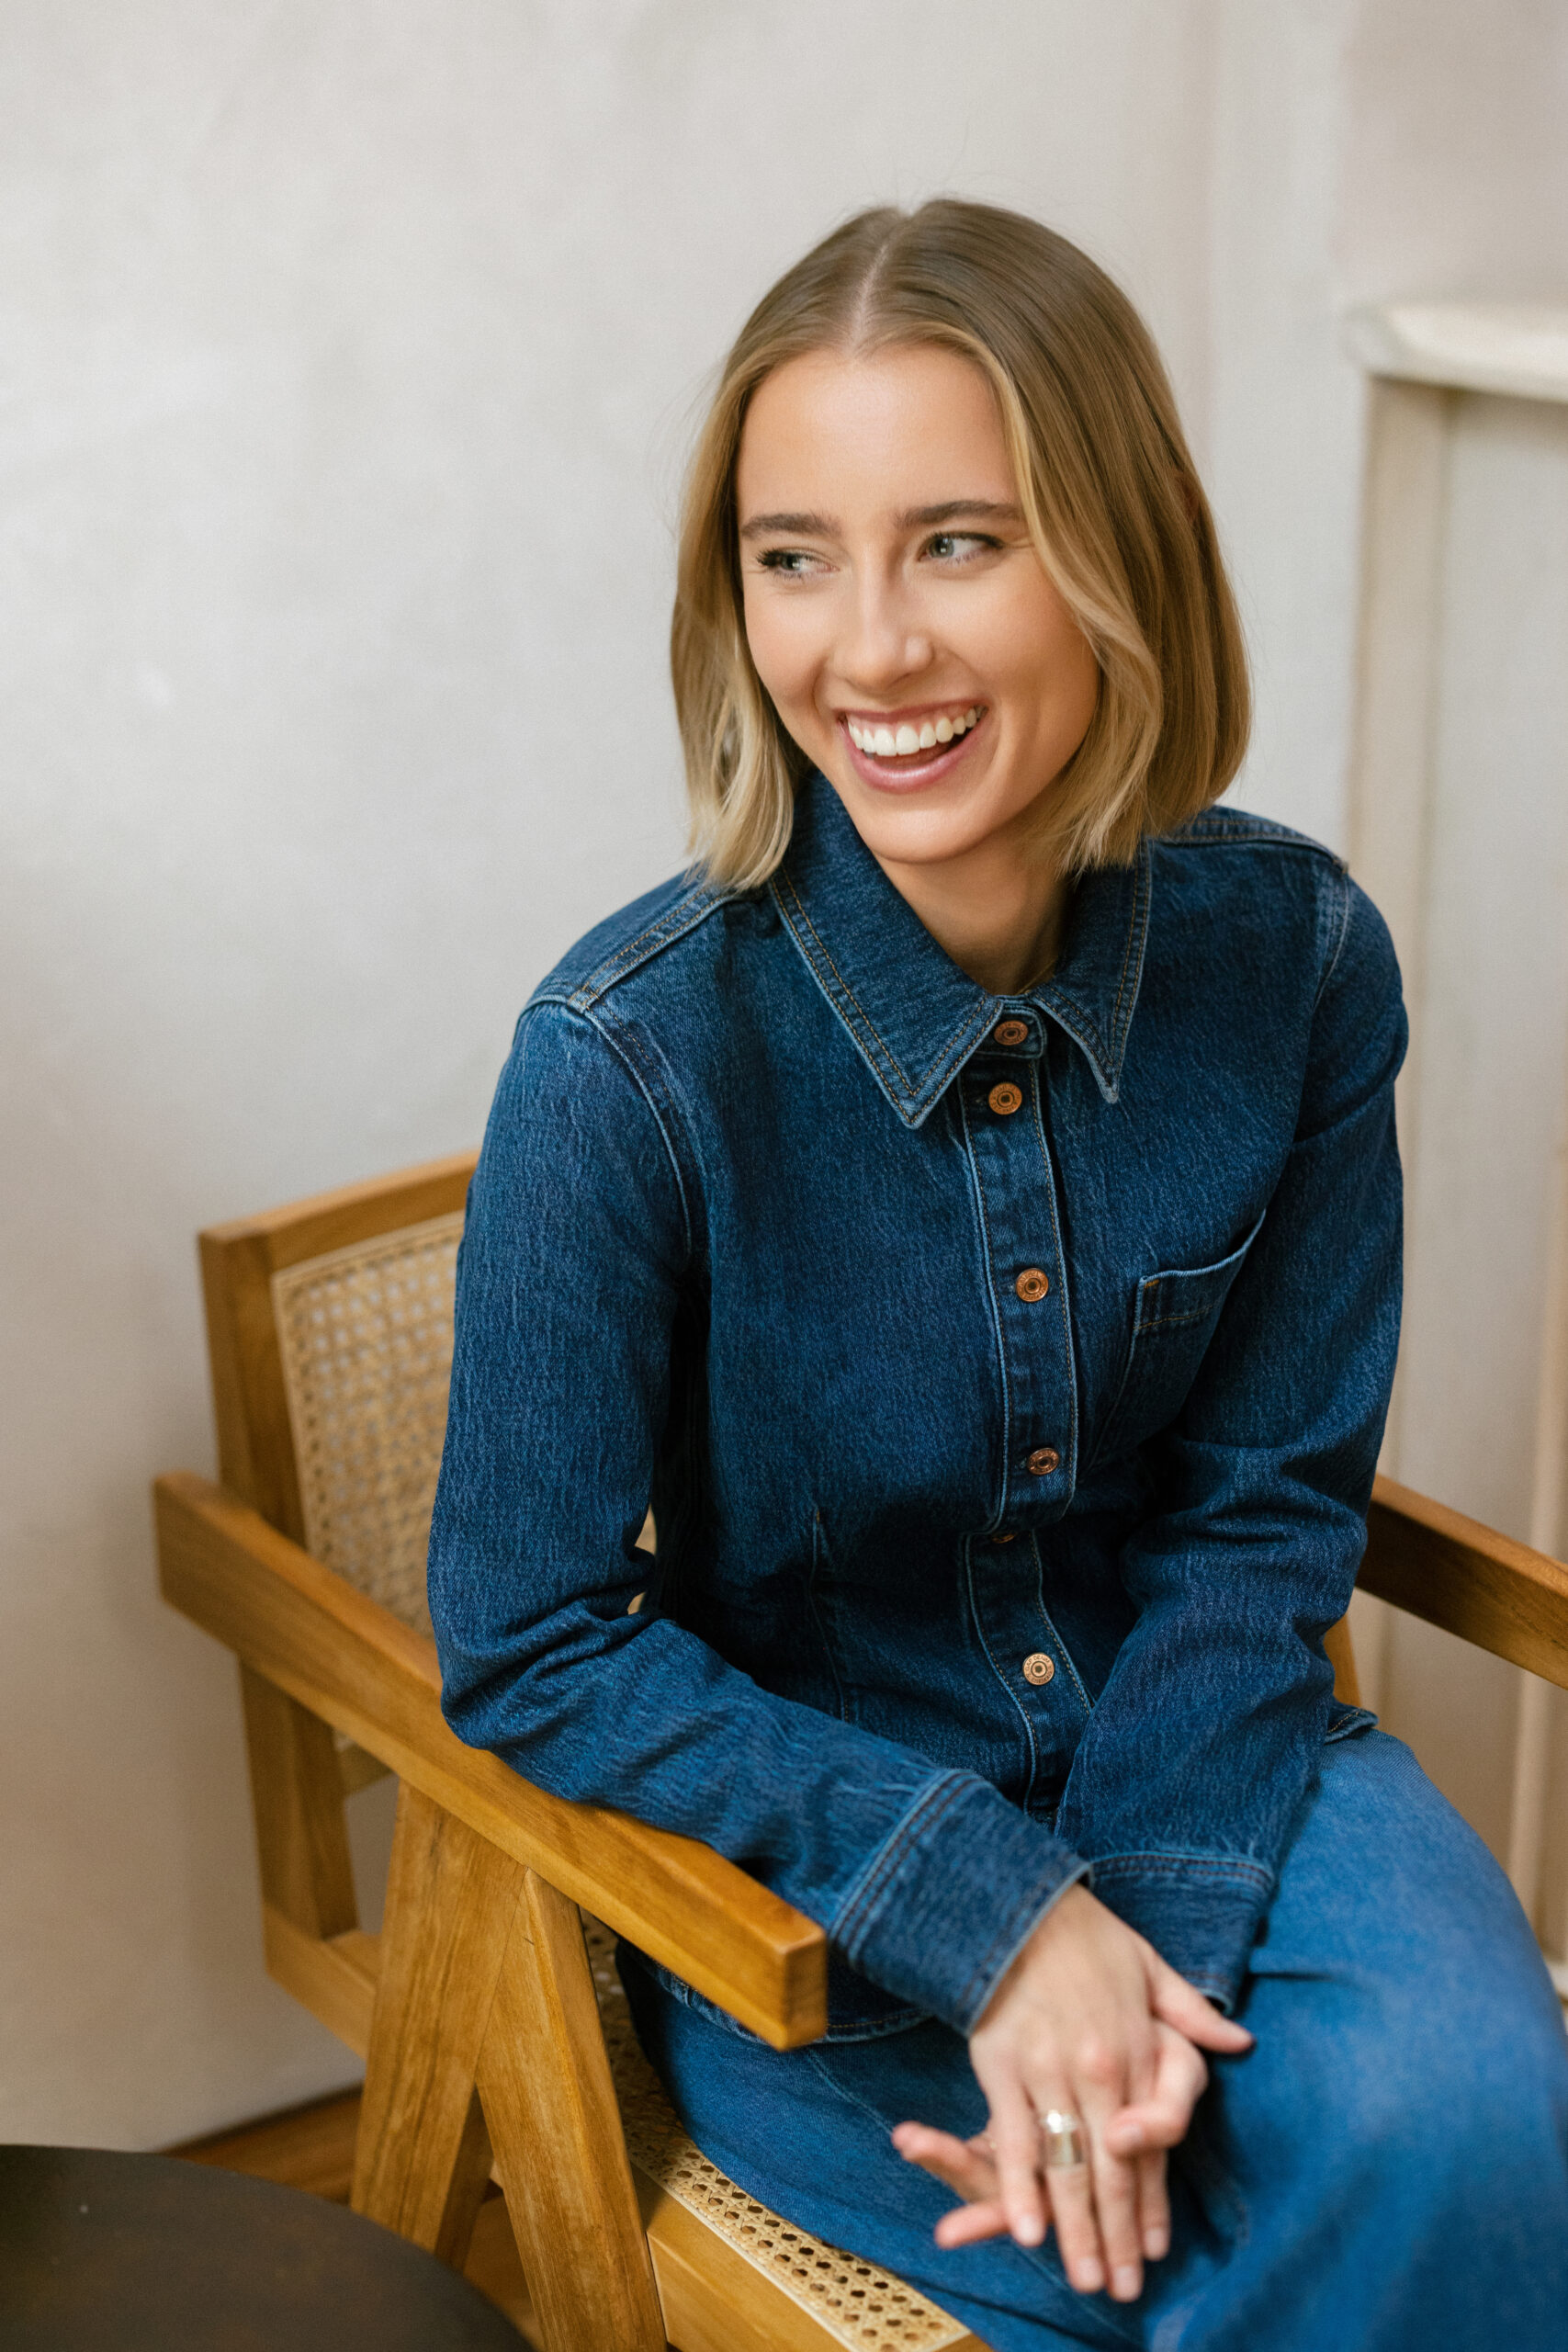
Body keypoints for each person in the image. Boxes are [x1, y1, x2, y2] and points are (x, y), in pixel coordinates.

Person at [427, 201, 1568, 2349]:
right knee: (1166, 2254)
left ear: (1117, 550)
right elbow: (529, 1638)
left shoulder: (1298, 965)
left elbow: (1259, 1513)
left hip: (1223, 1758)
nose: (866, 649)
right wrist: (992, 1909)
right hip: (821, 1870)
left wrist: (1139, 1931)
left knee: (1482, 2146)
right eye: (792, 556)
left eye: (955, 541)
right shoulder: (619, 1060)